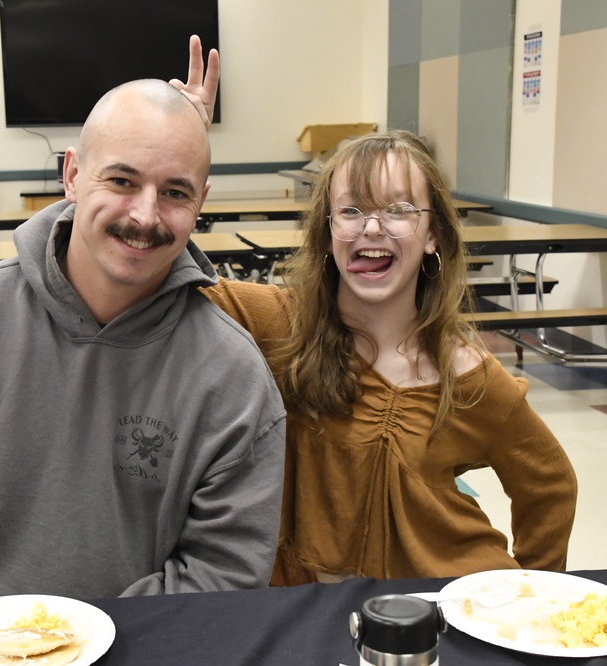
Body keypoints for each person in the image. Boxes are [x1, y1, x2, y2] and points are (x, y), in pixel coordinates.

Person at [0, 73, 287, 617]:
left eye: (175, 192)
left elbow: (220, 577)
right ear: (71, 175)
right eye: (122, 181)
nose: (144, 215)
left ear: (201, 202)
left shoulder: (233, 379)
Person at [174, 52, 577, 584]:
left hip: (437, 613)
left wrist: (534, 595)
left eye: (400, 210)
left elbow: (550, 483)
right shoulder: (281, 325)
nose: (372, 228)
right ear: (328, 231)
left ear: (433, 235)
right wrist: (180, 141)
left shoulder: (468, 376)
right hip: (304, 613)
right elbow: (162, 267)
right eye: (352, 210)